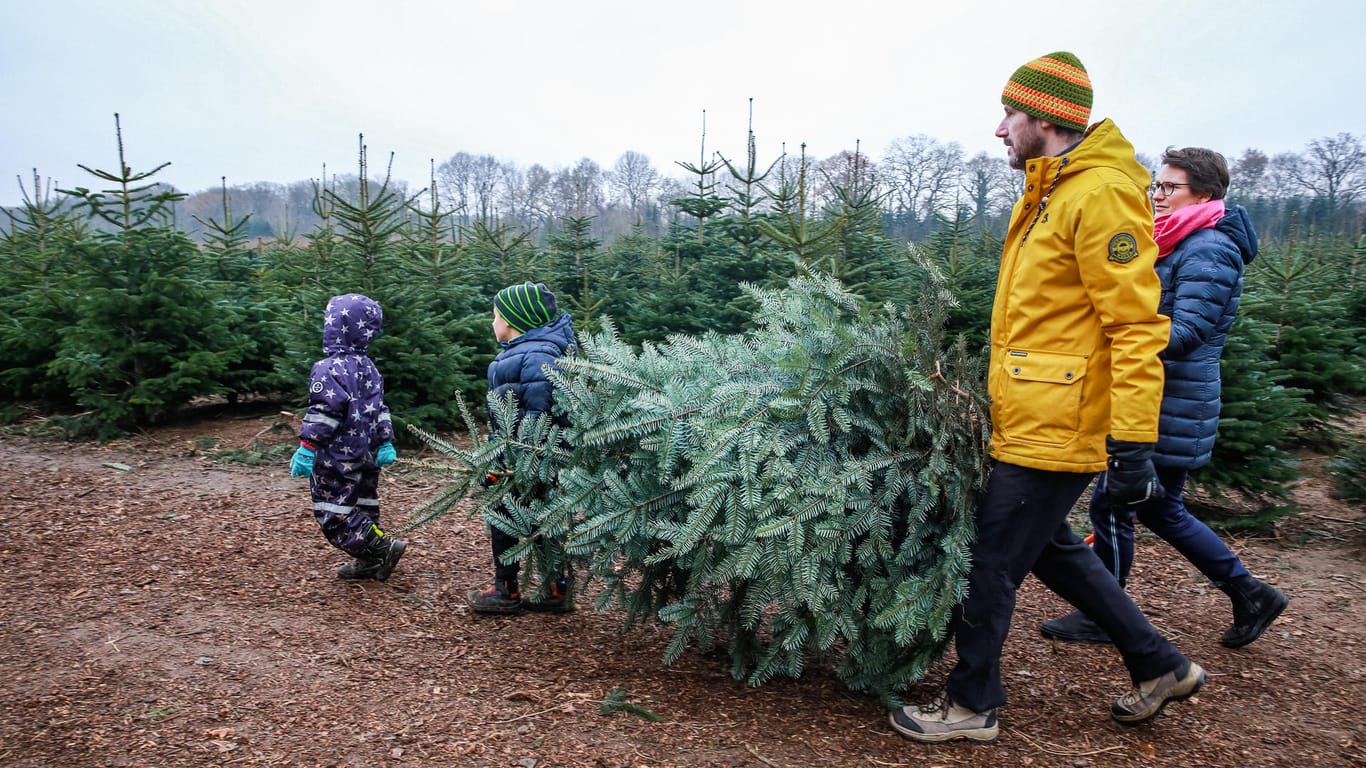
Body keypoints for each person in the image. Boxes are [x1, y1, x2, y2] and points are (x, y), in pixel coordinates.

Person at [889, 52, 1204, 745]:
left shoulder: (1099, 195)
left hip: (1060, 424)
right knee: (1052, 547)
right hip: (1035, 412)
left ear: (1046, 120)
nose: (1000, 129)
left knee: (992, 561)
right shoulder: (1050, 189)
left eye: (1010, 114)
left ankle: (971, 705)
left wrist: (1131, 441)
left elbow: (1133, 326)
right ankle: (1159, 665)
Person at [1040, 148, 1287, 648]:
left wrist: (1119, 329)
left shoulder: (1208, 249)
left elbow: (1188, 330)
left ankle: (1102, 613)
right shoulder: (1180, 242)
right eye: (1156, 185)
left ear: (1205, 194)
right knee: (1156, 507)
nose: (1156, 195)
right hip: (1165, 394)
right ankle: (1249, 592)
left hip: (1171, 398)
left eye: (1169, 188)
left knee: (1115, 503)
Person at [466, 281, 577, 615]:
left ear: (514, 321)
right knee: (546, 520)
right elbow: (501, 418)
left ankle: (507, 589)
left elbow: (539, 414)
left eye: (495, 316)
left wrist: (506, 462)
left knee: (506, 517)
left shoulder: (535, 357)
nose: (492, 323)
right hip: (520, 457)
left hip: (528, 461)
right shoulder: (524, 353)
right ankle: (555, 588)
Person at [290, 293, 405, 581]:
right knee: (363, 503)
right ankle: (368, 561)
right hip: (365, 455)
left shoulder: (328, 368)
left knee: (334, 512)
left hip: (336, 458)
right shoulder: (370, 367)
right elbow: (379, 409)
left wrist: (306, 447)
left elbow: (324, 412)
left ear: (334, 326)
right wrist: (385, 440)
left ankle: (380, 547)